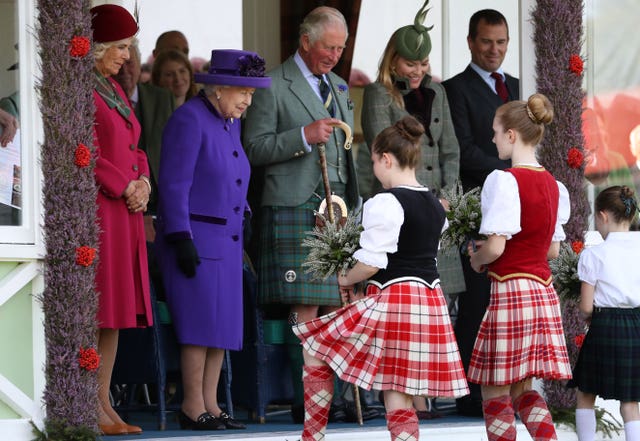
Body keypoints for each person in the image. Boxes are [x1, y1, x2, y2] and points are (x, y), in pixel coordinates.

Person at [293, 115, 469, 441]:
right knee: (398, 392)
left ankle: (311, 437)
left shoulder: (386, 202)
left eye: (374, 161)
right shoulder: (436, 205)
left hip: (394, 301)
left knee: (315, 348)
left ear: (386, 159)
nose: (374, 167)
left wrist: (345, 279)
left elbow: (372, 263)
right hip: (429, 303)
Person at [243, 6, 367, 423]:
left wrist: (355, 206)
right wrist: (303, 136)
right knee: (306, 308)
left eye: (340, 48)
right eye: (329, 47)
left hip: (336, 211)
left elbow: (349, 153)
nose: (335, 55)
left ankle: (336, 397)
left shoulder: (340, 86)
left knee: (338, 305)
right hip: (292, 205)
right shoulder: (273, 84)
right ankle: (306, 401)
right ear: (306, 41)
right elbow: (255, 147)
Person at [155, 49, 271, 431]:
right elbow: (174, 185)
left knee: (221, 327)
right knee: (199, 326)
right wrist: (179, 235)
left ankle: (212, 404)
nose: (247, 101)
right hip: (195, 240)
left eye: (252, 94)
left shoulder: (230, 122)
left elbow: (232, 176)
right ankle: (191, 406)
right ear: (219, 88)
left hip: (227, 240)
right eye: (243, 92)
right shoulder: (188, 119)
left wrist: (247, 215)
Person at [359, 0, 465, 349]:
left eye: (423, 63)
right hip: (403, 204)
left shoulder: (438, 91)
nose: (417, 70)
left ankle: (430, 397)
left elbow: (451, 148)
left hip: (439, 205)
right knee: (403, 303)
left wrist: (449, 193)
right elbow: (383, 145)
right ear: (393, 60)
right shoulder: (378, 93)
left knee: (440, 303)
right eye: (410, 63)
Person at [466, 94, 571, 441]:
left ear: (511, 135)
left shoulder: (504, 180)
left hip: (511, 293)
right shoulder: (554, 186)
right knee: (522, 388)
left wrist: (477, 259)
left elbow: (496, 246)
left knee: (494, 390)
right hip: (542, 292)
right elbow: (553, 250)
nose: (493, 138)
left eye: (496, 132)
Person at [441, 8, 520, 417]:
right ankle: (470, 392)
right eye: (487, 41)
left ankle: (507, 389)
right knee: (478, 300)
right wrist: (515, 170)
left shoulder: (520, 87)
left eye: (502, 42)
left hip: (517, 211)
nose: (495, 50)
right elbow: (464, 151)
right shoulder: (454, 89)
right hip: (478, 209)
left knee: (510, 300)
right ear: (471, 42)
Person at [90, 4, 153, 436]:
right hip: (102, 210)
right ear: (96, 47)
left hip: (126, 211)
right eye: (120, 47)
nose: (127, 56)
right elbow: (84, 149)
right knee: (99, 310)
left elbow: (135, 146)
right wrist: (123, 184)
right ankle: (89, 404)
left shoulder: (112, 88)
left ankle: (105, 401)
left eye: (128, 47)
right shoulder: (81, 90)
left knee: (115, 314)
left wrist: (145, 180)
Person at [572, 185, 640, 441]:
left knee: (586, 394)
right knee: (631, 401)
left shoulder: (594, 255)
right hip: (636, 323)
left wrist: (589, 317)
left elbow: (586, 307)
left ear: (602, 216)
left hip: (604, 325)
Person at [114, 39, 175, 240]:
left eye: (130, 63)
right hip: (122, 197)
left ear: (140, 64)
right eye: (120, 64)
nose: (124, 70)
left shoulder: (162, 98)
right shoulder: (104, 99)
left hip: (159, 199)